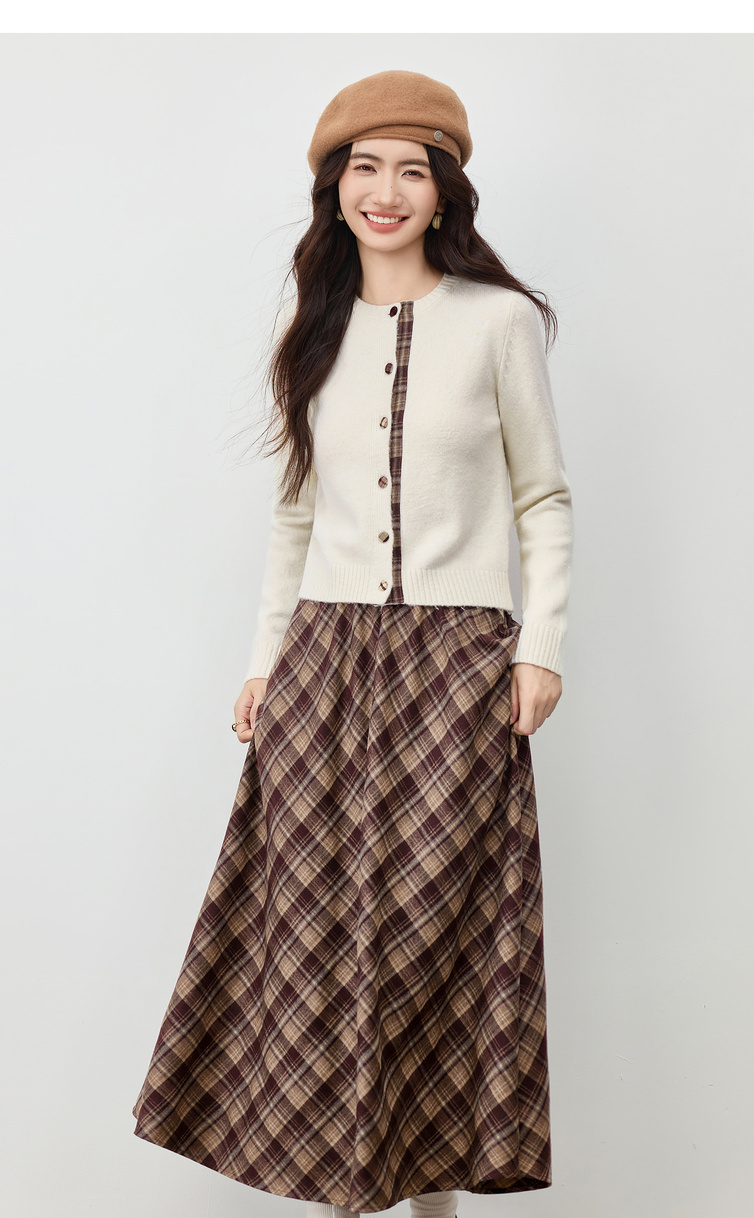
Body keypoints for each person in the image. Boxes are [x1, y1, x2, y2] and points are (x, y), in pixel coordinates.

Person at [131, 69, 574, 1218]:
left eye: (410, 170)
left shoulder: (499, 323)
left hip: (457, 664)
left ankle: (428, 1202)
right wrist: (262, 664)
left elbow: (542, 499)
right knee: (322, 948)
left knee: (433, 941)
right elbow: (293, 518)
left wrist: (540, 645)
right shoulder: (313, 333)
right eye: (364, 168)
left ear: (443, 191)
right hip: (322, 669)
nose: (386, 191)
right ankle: (349, 1199)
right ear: (335, 188)